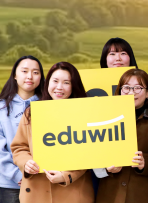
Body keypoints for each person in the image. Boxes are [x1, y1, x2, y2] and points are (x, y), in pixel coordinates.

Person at [11, 61, 94, 203]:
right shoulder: (32, 112)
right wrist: (26, 163)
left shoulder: (85, 114)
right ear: (47, 83)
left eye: (66, 82)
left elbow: (91, 153)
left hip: (73, 192)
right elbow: (19, 147)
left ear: (74, 86)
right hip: (36, 192)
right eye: (55, 81)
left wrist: (67, 175)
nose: (59, 87)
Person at [96, 68, 148, 203]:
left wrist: (145, 162)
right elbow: (94, 154)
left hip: (143, 195)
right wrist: (106, 168)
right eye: (126, 87)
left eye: (138, 88)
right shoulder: (105, 121)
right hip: (110, 193)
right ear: (120, 91)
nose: (131, 92)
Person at [0, 56, 45, 203]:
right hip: (9, 185)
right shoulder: (1, 107)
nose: (30, 76)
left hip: (42, 183)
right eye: (24, 71)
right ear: (15, 75)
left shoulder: (48, 106)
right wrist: (18, 175)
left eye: (35, 72)